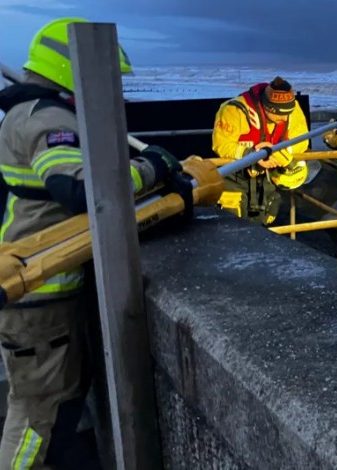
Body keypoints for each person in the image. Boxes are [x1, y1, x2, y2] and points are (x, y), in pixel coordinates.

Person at [0, 17, 193, 469]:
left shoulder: (27, 113)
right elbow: (89, 191)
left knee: (50, 406)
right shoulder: (48, 120)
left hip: (38, 288)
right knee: (38, 419)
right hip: (40, 292)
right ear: (75, 71)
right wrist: (153, 168)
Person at [212, 76, 311, 226]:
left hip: (267, 180)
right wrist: (252, 155)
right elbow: (221, 145)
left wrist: (281, 151)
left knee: (265, 225)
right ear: (266, 106)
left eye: (287, 113)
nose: (284, 118)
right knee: (233, 228)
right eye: (278, 114)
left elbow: (302, 139)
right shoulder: (233, 110)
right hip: (235, 178)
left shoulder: (292, 108)